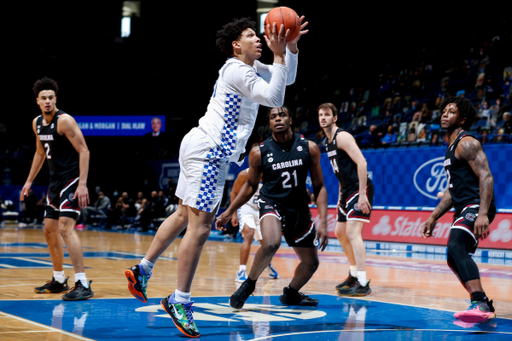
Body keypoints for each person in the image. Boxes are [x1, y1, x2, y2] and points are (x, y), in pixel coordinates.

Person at [124, 16, 307, 338]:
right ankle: (179, 300)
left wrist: (289, 49)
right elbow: (275, 99)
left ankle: (143, 268)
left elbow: (285, 81)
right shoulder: (236, 69)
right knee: (201, 226)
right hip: (209, 152)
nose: (258, 38)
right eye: (251, 35)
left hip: (204, 148)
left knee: (183, 214)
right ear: (237, 45)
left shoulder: (248, 69)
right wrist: (278, 56)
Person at [216, 106, 328, 309]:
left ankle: (291, 293)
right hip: (271, 203)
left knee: (311, 263)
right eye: (273, 117)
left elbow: (319, 187)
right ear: (269, 123)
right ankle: (248, 285)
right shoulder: (259, 152)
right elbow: (250, 186)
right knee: (271, 243)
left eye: (282, 115)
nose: (277, 119)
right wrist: (230, 210)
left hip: (298, 209)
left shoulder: (309, 148)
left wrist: (324, 222)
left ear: (291, 120)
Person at [422, 95, 497, 323]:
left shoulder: (467, 143)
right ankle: (482, 301)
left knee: (455, 244)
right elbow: (451, 190)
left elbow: (486, 176)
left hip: (476, 205)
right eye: (444, 110)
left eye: (451, 111)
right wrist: (434, 216)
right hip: (465, 205)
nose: (445, 114)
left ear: (462, 119)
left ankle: (479, 302)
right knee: (452, 257)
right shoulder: (451, 146)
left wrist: (483, 213)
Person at [20, 76, 93, 301]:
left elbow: (84, 151)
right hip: (54, 182)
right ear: (38, 101)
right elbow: (40, 154)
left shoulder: (65, 121)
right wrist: (29, 181)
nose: (48, 101)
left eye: (51, 97)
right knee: (49, 229)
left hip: (71, 180)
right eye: (44, 98)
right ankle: (59, 279)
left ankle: (82, 283)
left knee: (65, 228)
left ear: (55, 99)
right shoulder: (36, 123)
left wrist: (82, 184)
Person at [317, 102, 374, 296]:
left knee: (352, 232)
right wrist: (340, 198)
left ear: (334, 118)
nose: (323, 118)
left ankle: (364, 281)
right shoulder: (327, 142)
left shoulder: (342, 136)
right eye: (320, 115)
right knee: (340, 232)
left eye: (326, 115)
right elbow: (341, 172)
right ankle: (354, 274)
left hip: (360, 188)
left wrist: (363, 194)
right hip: (346, 191)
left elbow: (362, 162)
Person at [229, 168, 278, 282]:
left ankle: (267, 265)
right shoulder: (244, 174)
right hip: (246, 207)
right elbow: (235, 192)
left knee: (266, 243)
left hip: (262, 208)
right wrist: (233, 213)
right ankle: (241, 270)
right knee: (249, 234)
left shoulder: (271, 173)